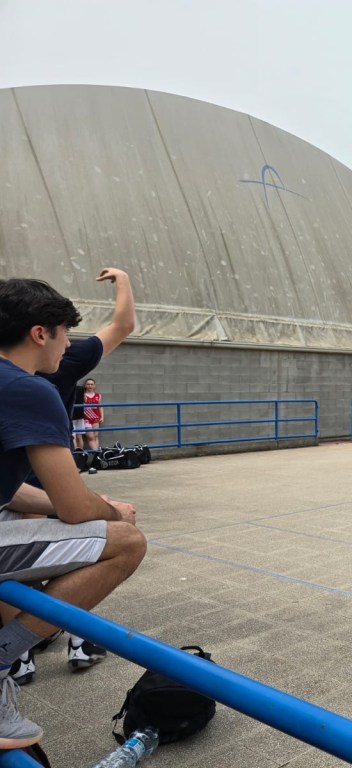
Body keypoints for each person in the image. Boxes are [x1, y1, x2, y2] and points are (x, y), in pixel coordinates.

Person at [0, 278, 147, 749]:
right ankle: (3, 658)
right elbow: (75, 507)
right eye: (65, 332)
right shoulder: (30, 389)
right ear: (40, 333)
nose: (68, 345)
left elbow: (14, 494)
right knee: (126, 543)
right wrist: (114, 512)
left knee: (33, 528)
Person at [82, 378, 103, 450]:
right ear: (85, 385)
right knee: (91, 437)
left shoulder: (98, 395)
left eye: (91, 384)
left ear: (94, 385)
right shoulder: (82, 395)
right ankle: (96, 452)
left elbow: (100, 407)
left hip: (95, 418)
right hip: (86, 419)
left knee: (96, 436)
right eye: (88, 384)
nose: (90, 386)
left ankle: (96, 454)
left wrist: (102, 417)